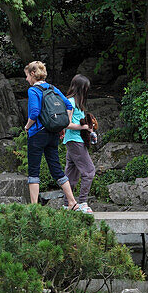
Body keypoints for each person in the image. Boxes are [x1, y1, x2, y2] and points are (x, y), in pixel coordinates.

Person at [22, 61, 84, 210]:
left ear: (32, 74)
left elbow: (35, 112)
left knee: (34, 171)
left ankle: (34, 209)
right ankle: (72, 202)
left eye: (26, 76)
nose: (26, 80)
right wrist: (62, 125)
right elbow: (69, 106)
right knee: (56, 168)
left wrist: (27, 126)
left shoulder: (33, 90)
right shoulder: (52, 88)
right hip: (52, 133)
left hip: (37, 134)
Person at [62, 74, 97, 213]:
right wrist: (83, 127)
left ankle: (67, 205)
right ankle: (82, 202)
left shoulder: (78, 103)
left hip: (77, 141)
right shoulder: (70, 102)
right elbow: (67, 123)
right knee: (89, 171)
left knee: (71, 174)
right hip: (74, 141)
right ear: (80, 88)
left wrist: (90, 130)